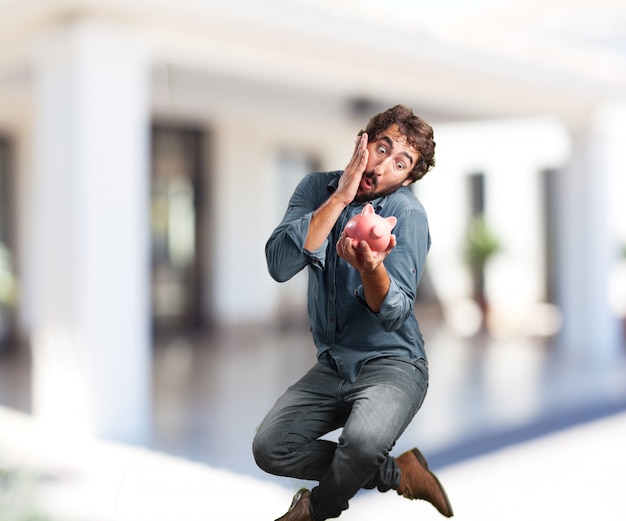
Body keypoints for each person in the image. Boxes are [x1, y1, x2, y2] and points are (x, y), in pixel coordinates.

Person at [253, 105, 453, 520]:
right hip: (334, 365)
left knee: (360, 445)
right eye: (381, 148)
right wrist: (340, 196)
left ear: (408, 178)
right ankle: (400, 473)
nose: (383, 166)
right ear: (362, 142)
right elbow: (279, 264)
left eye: (401, 163)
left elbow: (395, 311)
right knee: (270, 448)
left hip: (394, 364)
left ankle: (313, 513)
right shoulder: (315, 188)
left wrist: (372, 269)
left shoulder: (407, 214)